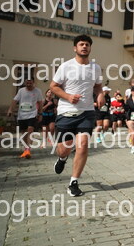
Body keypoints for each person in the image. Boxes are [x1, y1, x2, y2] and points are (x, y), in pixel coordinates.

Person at [51, 35, 104, 197]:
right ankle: (62, 159)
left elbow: (98, 86)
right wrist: (68, 96)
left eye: (87, 44)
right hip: (66, 112)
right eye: (81, 44)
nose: (84, 46)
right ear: (75, 48)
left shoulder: (95, 68)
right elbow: (53, 86)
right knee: (64, 149)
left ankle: (73, 182)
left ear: (90, 48)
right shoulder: (66, 66)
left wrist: (100, 94)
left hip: (87, 112)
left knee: (83, 145)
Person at [7, 78, 43, 158]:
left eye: (30, 83)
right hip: (22, 115)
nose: (29, 85)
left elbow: (40, 103)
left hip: (32, 114)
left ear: (33, 83)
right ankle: (26, 148)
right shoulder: (21, 91)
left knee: (30, 130)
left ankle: (28, 149)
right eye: (27, 83)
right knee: (23, 133)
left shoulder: (38, 91)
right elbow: (15, 101)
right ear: (25, 83)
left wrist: (40, 114)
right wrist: (10, 110)